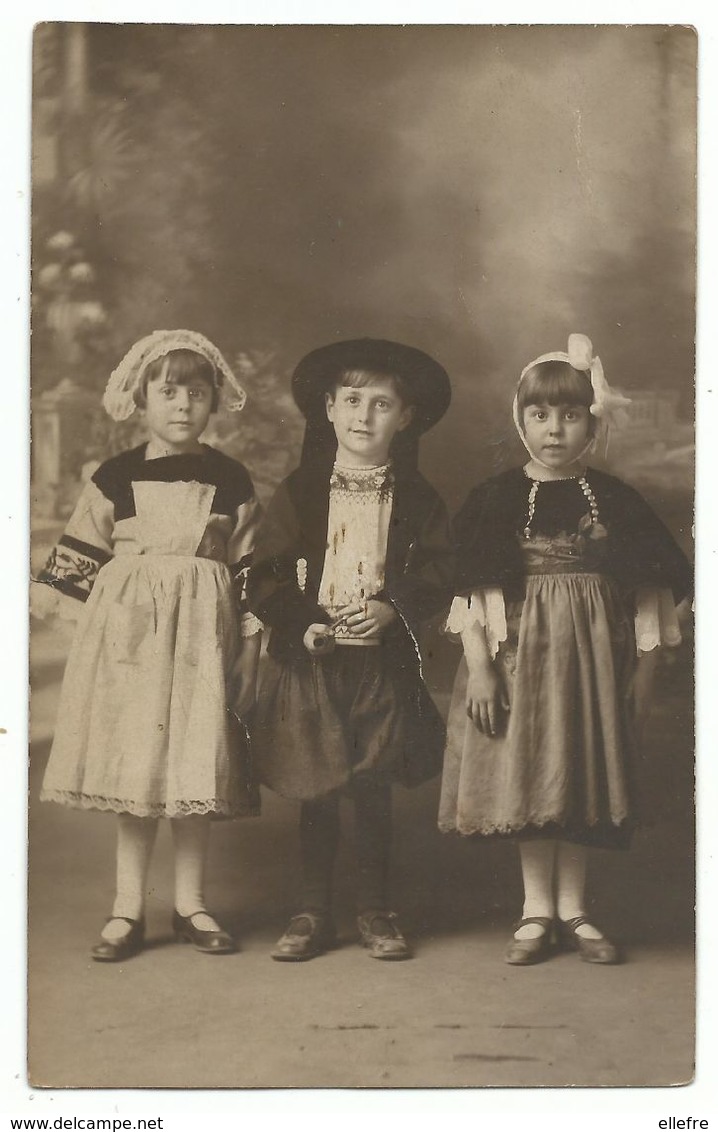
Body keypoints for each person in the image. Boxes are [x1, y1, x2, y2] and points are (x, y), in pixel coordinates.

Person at [438, 333, 692, 965]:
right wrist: (479, 669)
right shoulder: (494, 499)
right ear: (520, 419)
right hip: (518, 660)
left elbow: (651, 593)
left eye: (571, 415)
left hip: (593, 660)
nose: (554, 430)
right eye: (540, 415)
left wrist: (645, 672)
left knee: (577, 769)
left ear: (592, 423)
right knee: (531, 770)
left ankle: (576, 909)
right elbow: (471, 593)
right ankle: (534, 912)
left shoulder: (617, 500)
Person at [32, 329, 263, 961]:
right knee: (137, 768)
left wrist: (248, 638)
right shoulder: (117, 475)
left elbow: (248, 566)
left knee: (195, 763)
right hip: (131, 639)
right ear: (141, 399)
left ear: (214, 402)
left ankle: (192, 903)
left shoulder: (229, 478)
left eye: (196, 393)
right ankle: (126, 909)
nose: (182, 405)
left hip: (202, 640)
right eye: (168, 392)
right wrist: (92, 638)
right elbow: (81, 552)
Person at [247, 338, 453, 961]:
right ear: (329, 411)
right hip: (315, 660)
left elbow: (439, 572)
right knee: (317, 784)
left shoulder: (418, 499)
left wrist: (393, 609)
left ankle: (375, 908)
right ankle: (312, 910)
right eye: (353, 401)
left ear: (406, 417)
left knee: (371, 784)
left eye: (382, 404)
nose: (365, 417)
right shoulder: (300, 491)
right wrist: (301, 625)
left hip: (380, 666)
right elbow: (265, 574)